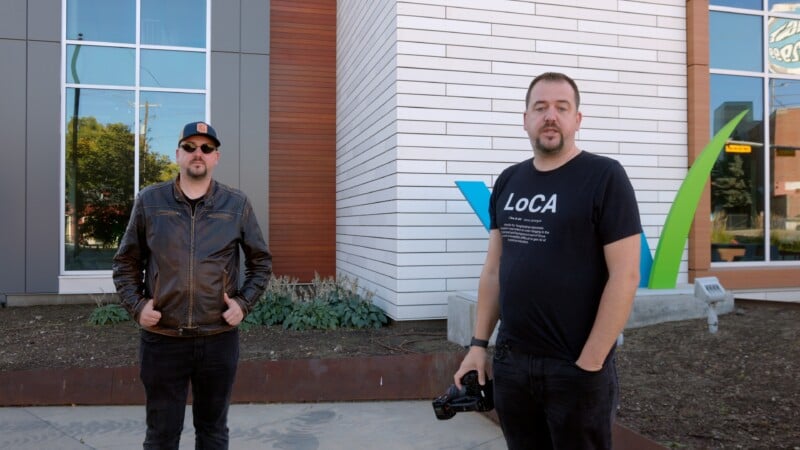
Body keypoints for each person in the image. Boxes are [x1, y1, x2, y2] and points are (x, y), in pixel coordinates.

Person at [453, 72, 641, 450]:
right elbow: (494, 269)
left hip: (574, 367)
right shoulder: (509, 181)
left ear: (577, 119)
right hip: (512, 366)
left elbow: (626, 275)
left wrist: (591, 362)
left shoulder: (605, 176)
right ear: (525, 119)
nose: (550, 116)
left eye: (561, 107)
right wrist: (478, 345)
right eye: (540, 107)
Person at [112, 121, 272, 449]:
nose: (197, 153)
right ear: (177, 154)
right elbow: (125, 263)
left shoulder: (236, 205)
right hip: (162, 341)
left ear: (216, 157)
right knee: (161, 436)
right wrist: (137, 305)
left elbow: (261, 263)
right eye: (190, 147)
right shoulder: (150, 201)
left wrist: (243, 304)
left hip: (217, 340)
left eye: (206, 148)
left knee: (212, 432)